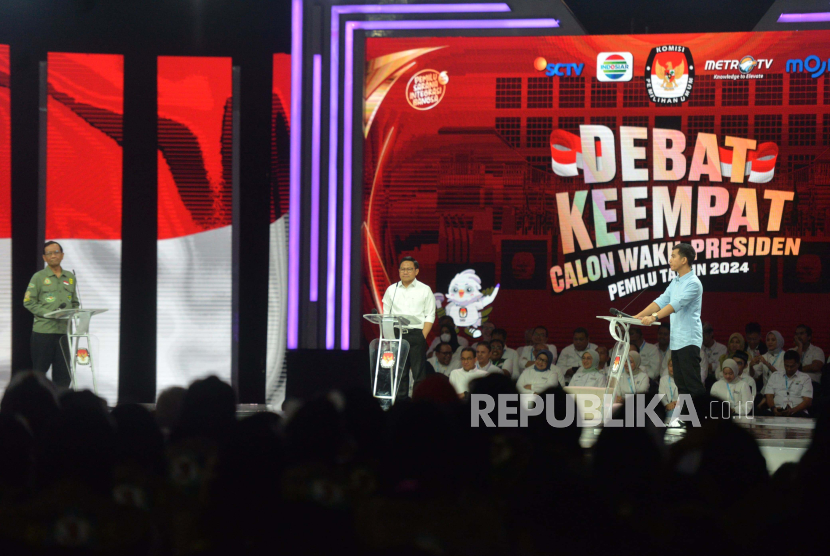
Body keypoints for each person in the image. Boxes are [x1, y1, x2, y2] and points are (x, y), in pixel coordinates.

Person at [635, 243, 704, 398]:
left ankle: (702, 420)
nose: (670, 260)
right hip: (677, 341)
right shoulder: (676, 281)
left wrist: (654, 317)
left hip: (689, 339)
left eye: (673, 256)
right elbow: (660, 301)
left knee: (692, 384)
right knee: (682, 385)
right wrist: (635, 316)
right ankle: (687, 420)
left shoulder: (693, 283)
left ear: (684, 260)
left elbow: (675, 304)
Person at [23, 241, 79, 388]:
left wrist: (75, 311)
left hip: (64, 333)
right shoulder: (38, 277)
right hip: (43, 332)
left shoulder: (70, 277)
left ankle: (61, 406)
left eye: (56, 252)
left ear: (62, 255)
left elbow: (75, 302)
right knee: (39, 374)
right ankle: (37, 406)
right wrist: (50, 314)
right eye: (49, 253)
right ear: (44, 258)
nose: (53, 255)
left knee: (64, 374)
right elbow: (28, 302)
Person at [382, 257, 435, 400]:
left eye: (409, 269)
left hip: (417, 333)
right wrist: (389, 338)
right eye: (403, 269)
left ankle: (419, 405)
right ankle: (400, 405)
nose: (405, 272)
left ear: (416, 271)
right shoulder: (391, 290)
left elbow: (430, 315)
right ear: (399, 271)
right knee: (400, 373)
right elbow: (386, 315)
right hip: (396, 334)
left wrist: (422, 336)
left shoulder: (425, 290)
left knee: (419, 374)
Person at [759, 350, 813, 417]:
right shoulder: (775, 375)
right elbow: (769, 396)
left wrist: (792, 410)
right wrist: (773, 409)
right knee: (762, 414)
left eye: (792, 366)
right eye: (786, 365)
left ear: (798, 364)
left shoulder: (805, 378)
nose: (789, 369)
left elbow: (807, 401)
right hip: (776, 410)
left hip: (797, 412)